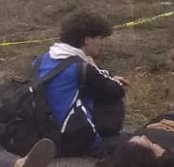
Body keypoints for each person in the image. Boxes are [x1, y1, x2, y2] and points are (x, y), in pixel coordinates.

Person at [36, 12, 128, 157]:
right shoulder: (81, 68)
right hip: (74, 139)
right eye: (100, 38)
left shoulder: (40, 61)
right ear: (87, 39)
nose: (102, 43)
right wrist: (94, 67)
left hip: (42, 131)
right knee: (140, 141)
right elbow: (117, 90)